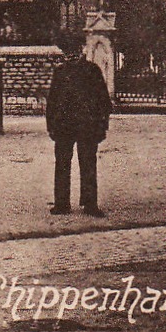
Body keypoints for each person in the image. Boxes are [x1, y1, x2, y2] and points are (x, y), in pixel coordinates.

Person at [46, 32, 112, 216]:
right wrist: (51, 125)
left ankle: (90, 204)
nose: (71, 56)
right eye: (68, 53)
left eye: (74, 51)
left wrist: (102, 125)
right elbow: (52, 101)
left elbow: (103, 101)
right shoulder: (60, 72)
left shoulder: (92, 71)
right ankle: (62, 203)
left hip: (87, 125)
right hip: (64, 126)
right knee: (62, 163)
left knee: (88, 163)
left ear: (82, 51)